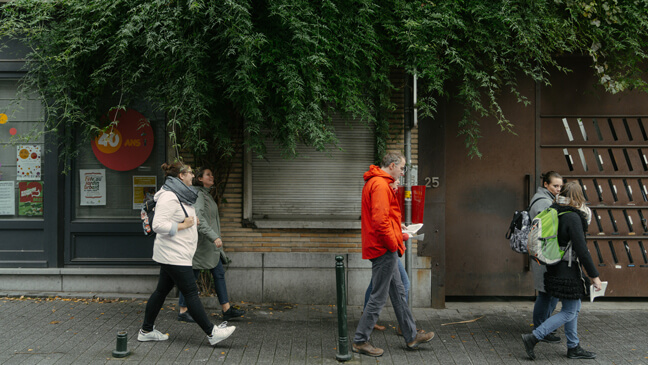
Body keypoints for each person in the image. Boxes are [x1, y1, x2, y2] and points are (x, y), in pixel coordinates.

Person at [138, 162, 235, 346]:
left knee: (160, 292)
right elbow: (158, 225)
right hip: (173, 254)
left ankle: (146, 330)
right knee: (191, 292)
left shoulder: (181, 195)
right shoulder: (169, 196)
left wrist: (192, 220)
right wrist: (185, 225)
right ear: (181, 176)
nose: (193, 175)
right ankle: (212, 332)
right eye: (190, 172)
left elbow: (175, 216)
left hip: (176, 253)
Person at [352, 151, 434, 357]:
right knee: (379, 296)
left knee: (398, 291)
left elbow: (385, 218)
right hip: (383, 249)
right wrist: (394, 242)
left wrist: (398, 234)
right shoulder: (380, 185)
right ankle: (360, 340)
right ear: (391, 166)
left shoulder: (379, 183)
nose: (403, 172)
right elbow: (381, 223)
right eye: (402, 167)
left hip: (382, 247)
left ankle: (411, 335)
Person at [522, 181, 602, 360]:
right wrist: (594, 276)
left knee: (573, 308)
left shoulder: (556, 211)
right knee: (569, 311)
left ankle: (573, 346)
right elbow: (582, 250)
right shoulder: (573, 217)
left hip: (556, 267)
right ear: (578, 198)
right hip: (568, 270)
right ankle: (533, 337)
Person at [177, 167, 245, 323]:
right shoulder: (200, 195)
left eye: (212, 174)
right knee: (191, 277)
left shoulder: (207, 195)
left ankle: (226, 309)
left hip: (209, 246)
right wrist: (214, 237)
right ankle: (183, 310)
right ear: (200, 178)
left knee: (218, 274)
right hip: (202, 245)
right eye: (208, 174)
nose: (212, 176)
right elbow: (198, 219)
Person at [528, 171, 563, 343]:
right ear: (546, 185)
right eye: (555, 186)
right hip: (543, 253)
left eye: (560, 186)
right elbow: (548, 229)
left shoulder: (546, 199)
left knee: (550, 292)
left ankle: (544, 327)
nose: (558, 189)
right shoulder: (543, 202)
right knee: (545, 292)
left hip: (545, 252)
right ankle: (540, 328)